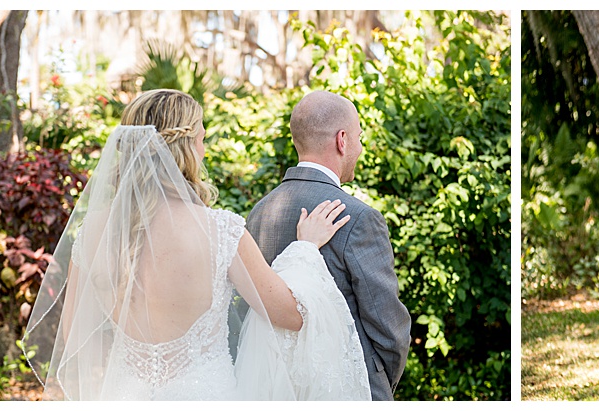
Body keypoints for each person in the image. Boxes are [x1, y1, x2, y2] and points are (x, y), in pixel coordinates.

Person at [21, 89, 370, 400]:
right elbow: (290, 315)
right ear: (186, 147)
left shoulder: (94, 230)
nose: (203, 150)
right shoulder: (220, 230)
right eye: (201, 139)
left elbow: (76, 336)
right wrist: (305, 249)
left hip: (122, 395)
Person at [247, 90, 411, 400]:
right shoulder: (359, 217)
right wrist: (377, 389)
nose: (360, 148)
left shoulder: (259, 212)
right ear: (342, 140)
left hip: (273, 389)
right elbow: (389, 327)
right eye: (359, 138)